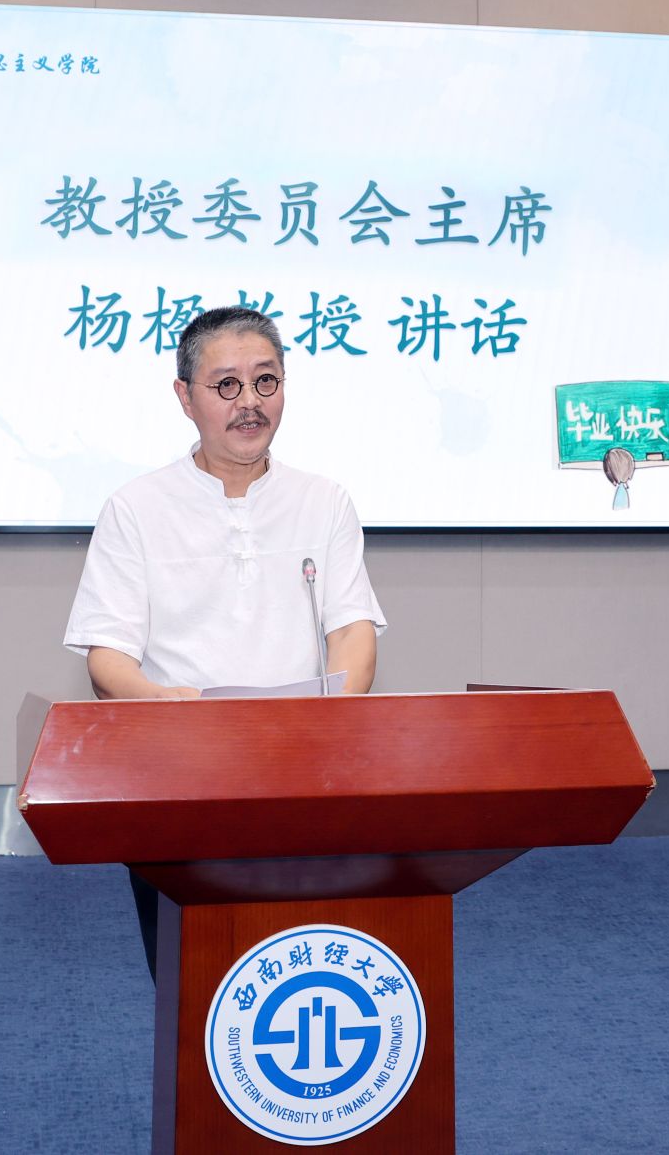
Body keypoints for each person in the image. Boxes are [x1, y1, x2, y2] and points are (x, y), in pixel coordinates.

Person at [62, 305, 386, 975]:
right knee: (192, 977)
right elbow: (107, 656)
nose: (250, 403)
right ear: (185, 397)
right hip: (179, 773)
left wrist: (335, 709)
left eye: (266, 381)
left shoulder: (324, 501)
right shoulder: (136, 507)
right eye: (227, 385)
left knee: (302, 965)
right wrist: (165, 705)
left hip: (302, 770)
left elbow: (353, 628)